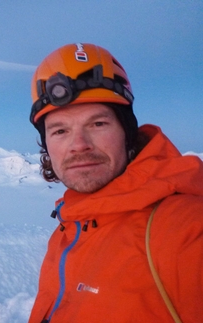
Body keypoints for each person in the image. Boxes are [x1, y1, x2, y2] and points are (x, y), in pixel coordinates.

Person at [28, 43, 203, 323]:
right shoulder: (69, 226)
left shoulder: (185, 230)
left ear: (127, 133)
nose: (79, 145)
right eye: (60, 130)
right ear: (46, 145)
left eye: (98, 124)